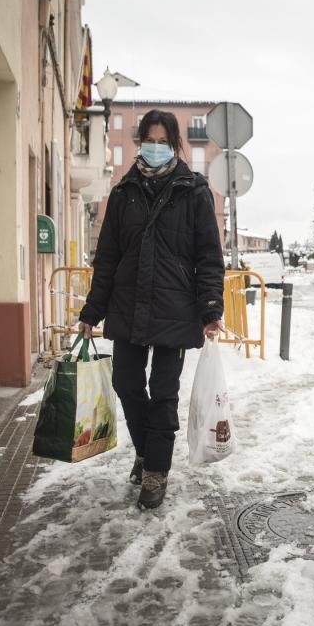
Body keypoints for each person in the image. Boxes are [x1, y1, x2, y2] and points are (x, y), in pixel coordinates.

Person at [78, 110, 225, 510]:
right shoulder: (123, 193)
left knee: (163, 393)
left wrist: (210, 308)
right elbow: (107, 257)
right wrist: (92, 311)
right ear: (140, 141)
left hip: (174, 307)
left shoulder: (194, 191)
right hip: (127, 306)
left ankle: (156, 471)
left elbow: (209, 256)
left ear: (174, 144)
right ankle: (145, 452)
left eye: (163, 141)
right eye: (149, 140)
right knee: (126, 383)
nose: (155, 147)